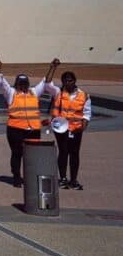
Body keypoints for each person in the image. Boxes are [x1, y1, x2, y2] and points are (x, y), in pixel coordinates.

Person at [0, 60, 56, 187]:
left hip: (33, 130)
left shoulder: (34, 92)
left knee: (33, 155)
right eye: (20, 83)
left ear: (28, 83)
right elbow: (2, 83)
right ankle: (17, 177)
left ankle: (31, 177)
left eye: (25, 83)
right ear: (16, 83)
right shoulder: (11, 93)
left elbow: (46, 81)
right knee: (17, 153)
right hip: (15, 129)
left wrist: (52, 67)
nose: (23, 85)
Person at [45, 60, 90, 190]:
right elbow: (47, 83)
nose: (68, 82)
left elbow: (87, 112)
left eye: (70, 80)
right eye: (65, 80)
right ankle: (63, 178)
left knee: (74, 153)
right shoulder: (58, 92)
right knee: (63, 151)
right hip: (61, 128)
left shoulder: (83, 95)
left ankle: (74, 180)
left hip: (76, 128)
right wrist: (52, 67)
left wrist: (84, 124)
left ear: (74, 81)